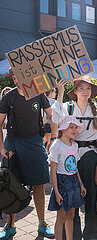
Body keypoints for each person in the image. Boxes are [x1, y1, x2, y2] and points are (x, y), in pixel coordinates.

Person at [52, 76, 97, 240]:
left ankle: (93, 235)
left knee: (92, 198)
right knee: (71, 198)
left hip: (91, 156)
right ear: (75, 91)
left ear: (92, 92)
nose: (85, 91)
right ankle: (72, 236)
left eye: (88, 88)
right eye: (81, 88)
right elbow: (55, 118)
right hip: (70, 156)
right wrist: (60, 92)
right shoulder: (68, 108)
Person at [0, 68, 55, 240]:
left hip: (34, 142)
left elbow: (52, 115)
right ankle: (10, 225)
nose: (16, 79)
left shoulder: (39, 94)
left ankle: (42, 223)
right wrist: (1, 148)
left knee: (38, 183)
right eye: (13, 76)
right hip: (13, 143)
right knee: (9, 183)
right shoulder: (8, 97)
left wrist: (52, 138)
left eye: (18, 74)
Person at [48, 115, 86, 240]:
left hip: (74, 182)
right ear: (63, 129)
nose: (74, 130)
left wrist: (80, 184)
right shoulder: (56, 146)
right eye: (71, 127)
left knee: (71, 215)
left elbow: (75, 167)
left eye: (76, 127)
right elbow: (53, 170)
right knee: (61, 217)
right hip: (62, 183)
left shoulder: (74, 145)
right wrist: (57, 192)